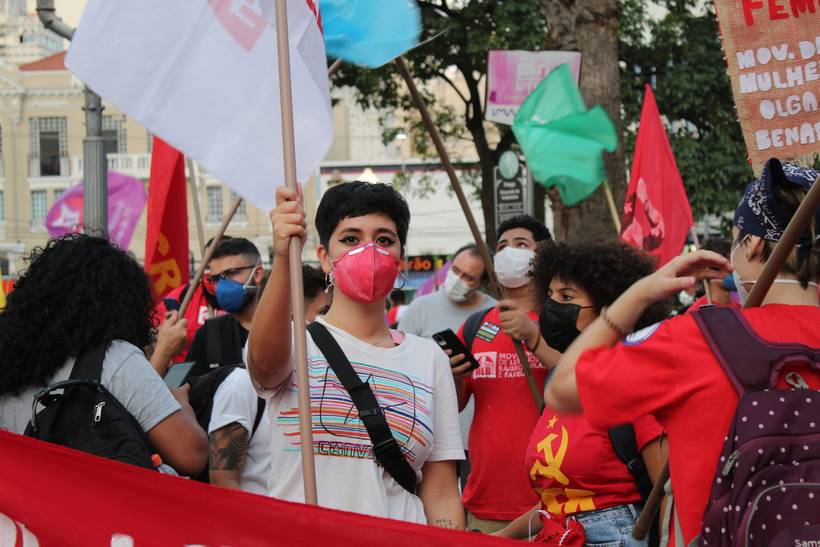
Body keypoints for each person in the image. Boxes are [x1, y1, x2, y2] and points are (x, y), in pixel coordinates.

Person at [545, 158, 820, 544]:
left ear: (753, 243)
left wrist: (641, 291)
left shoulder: (700, 338)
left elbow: (562, 388)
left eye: (736, 235)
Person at [247, 181, 464, 527]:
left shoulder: (428, 358)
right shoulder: (294, 344)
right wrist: (284, 255)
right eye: (350, 238)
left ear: (400, 257)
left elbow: (441, 493)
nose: (370, 250)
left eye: (384, 240)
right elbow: (263, 364)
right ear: (324, 258)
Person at [495, 241, 669, 544]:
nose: (551, 308)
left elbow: (668, 496)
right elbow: (558, 502)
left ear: (608, 312)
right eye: (549, 296)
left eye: (566, 297)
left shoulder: (634, 387)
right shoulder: (557, 387)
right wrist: (498, 537)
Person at [0, 235, 208, 476]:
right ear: (123, 301)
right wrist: (181, 403)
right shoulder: (114, 358)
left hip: (27, 506)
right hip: (99, 508)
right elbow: (192, 454)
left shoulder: (7, 363)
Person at [450, 214, 552, 533]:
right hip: (485, 502)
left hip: (550, 500)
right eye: (502, 246)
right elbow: (456, 404)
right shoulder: (474, 326)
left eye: (521, 244)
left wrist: (534, 337)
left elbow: (584, 384)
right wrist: (453, 375)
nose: (509, 252)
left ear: (543, 255)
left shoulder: (563, 321)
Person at [206, 263, 328, 493]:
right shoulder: (240, 386)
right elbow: (224, 480)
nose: (333, 322)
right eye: (324, 312)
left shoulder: (325, 382)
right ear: (291, 312)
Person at [185, 237, 265, 378]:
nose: (222, 285)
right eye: (216, 279)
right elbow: (185, 389)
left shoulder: (286, 328)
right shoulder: (209, 334)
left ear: (257, 274)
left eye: (230, 273)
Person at [398, 243, 496, 338]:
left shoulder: (494, 312)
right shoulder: (419, 308)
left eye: (468, 277)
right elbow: (398, 349)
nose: (457, 280)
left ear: (482, 283)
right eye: (455, 270)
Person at [686, 238, 740, 312]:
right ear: (708, 271)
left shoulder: (741, 309)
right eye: (728, 264)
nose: (735, 270)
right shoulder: (697, 314)